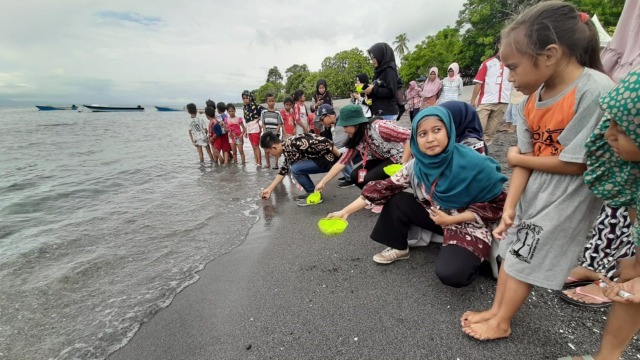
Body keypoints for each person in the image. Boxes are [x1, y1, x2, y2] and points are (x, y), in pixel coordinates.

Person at [461, 1, 614, 341]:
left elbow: (578, 163)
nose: (511, 77)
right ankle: (496, 311)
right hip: (535, 190)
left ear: (549, 54)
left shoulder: (594, 89)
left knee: (525, 257)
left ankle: (502, 321)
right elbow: (525, 157)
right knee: (513, 250)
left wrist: (518, 160)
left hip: (568, 194)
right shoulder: (529, 102)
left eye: (514, 68)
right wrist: (511, 206)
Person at [326, 106, 507, 287]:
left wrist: (454, 219)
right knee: (396, 197)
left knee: (452, 274)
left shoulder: (473, 163)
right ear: (414, 139)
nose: (430, 139)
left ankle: (475, 255)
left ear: (449, 131)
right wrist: (345, 211)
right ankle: (400, 247)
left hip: (467, 224)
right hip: (437, 217)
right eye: (422, 134)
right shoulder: (416, 166)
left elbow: (498, 204)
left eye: (437, 130)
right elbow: (382, 188)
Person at [559, 68, 640, 360]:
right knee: (629, 286)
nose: (609, 134)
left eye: (622, 129)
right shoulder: (630, 167)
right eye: (611, 123)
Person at [314, 105, 411, 212]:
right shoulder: (356, 136)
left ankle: (384, 200)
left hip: (396, 156)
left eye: (345, 126)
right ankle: (373, 198)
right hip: (378, 156)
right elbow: (342, 161)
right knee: (355, 176)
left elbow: (410, 136)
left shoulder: (380, 127)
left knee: (370, 178)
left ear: (356, 124)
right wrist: (323, 182)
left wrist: (402, 164)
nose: (344, 130)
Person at [259, 132, 340, 206]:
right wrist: (269, 189)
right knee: (293, 167)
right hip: (321, 160)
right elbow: (283, 170)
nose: (270, 155)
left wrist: (340, 158)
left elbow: (326, 142)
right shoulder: (286, 147)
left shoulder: (294, 143)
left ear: (274, 147)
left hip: (327, 161)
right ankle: (311, 192)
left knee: (295, 169)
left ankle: (313, 194)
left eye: (269, 152)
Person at [470, 39, 513, 146]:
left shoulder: (512, 64)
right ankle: (475, 151)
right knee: (478, 129)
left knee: (490, 132)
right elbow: (479, 83)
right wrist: (473, 100)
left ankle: (485, 151)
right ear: (498, 45)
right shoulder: (487, 64)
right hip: (486, 101)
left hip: (503, 101)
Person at [314, 104, 354, 188]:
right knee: (338, 151)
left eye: (322, 120)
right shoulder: (337, 120)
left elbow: (338, 145)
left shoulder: (340, 123)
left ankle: (351, 178)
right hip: (352, 144)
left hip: (359, 146)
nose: (321, 123)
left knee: (336, 152)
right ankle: (350, 174)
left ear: (328, 116)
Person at [364, 43, 400, 120]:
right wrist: (369, 91)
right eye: (371, 58)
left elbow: (391, 91)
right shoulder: (378, 72)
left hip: (387, 113)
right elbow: (377, 92)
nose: (373, 61)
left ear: (381, 55)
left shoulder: (389, 70)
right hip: (378, 112)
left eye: (374, 58)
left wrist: (373, 89)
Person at [260, 93, 283, 169]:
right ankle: (268, 164)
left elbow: (279, 123)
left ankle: (276, 164)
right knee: (266, 149)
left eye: (273, 101)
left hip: (275, 133)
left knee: (275, 148)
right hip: (267, 133)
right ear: (266, 102)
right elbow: (263, 122)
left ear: (275, 101)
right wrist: (265, 131)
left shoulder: (277, 112)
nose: (271, 103)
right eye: (269, 101)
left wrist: (276, 133)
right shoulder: (264, 112)